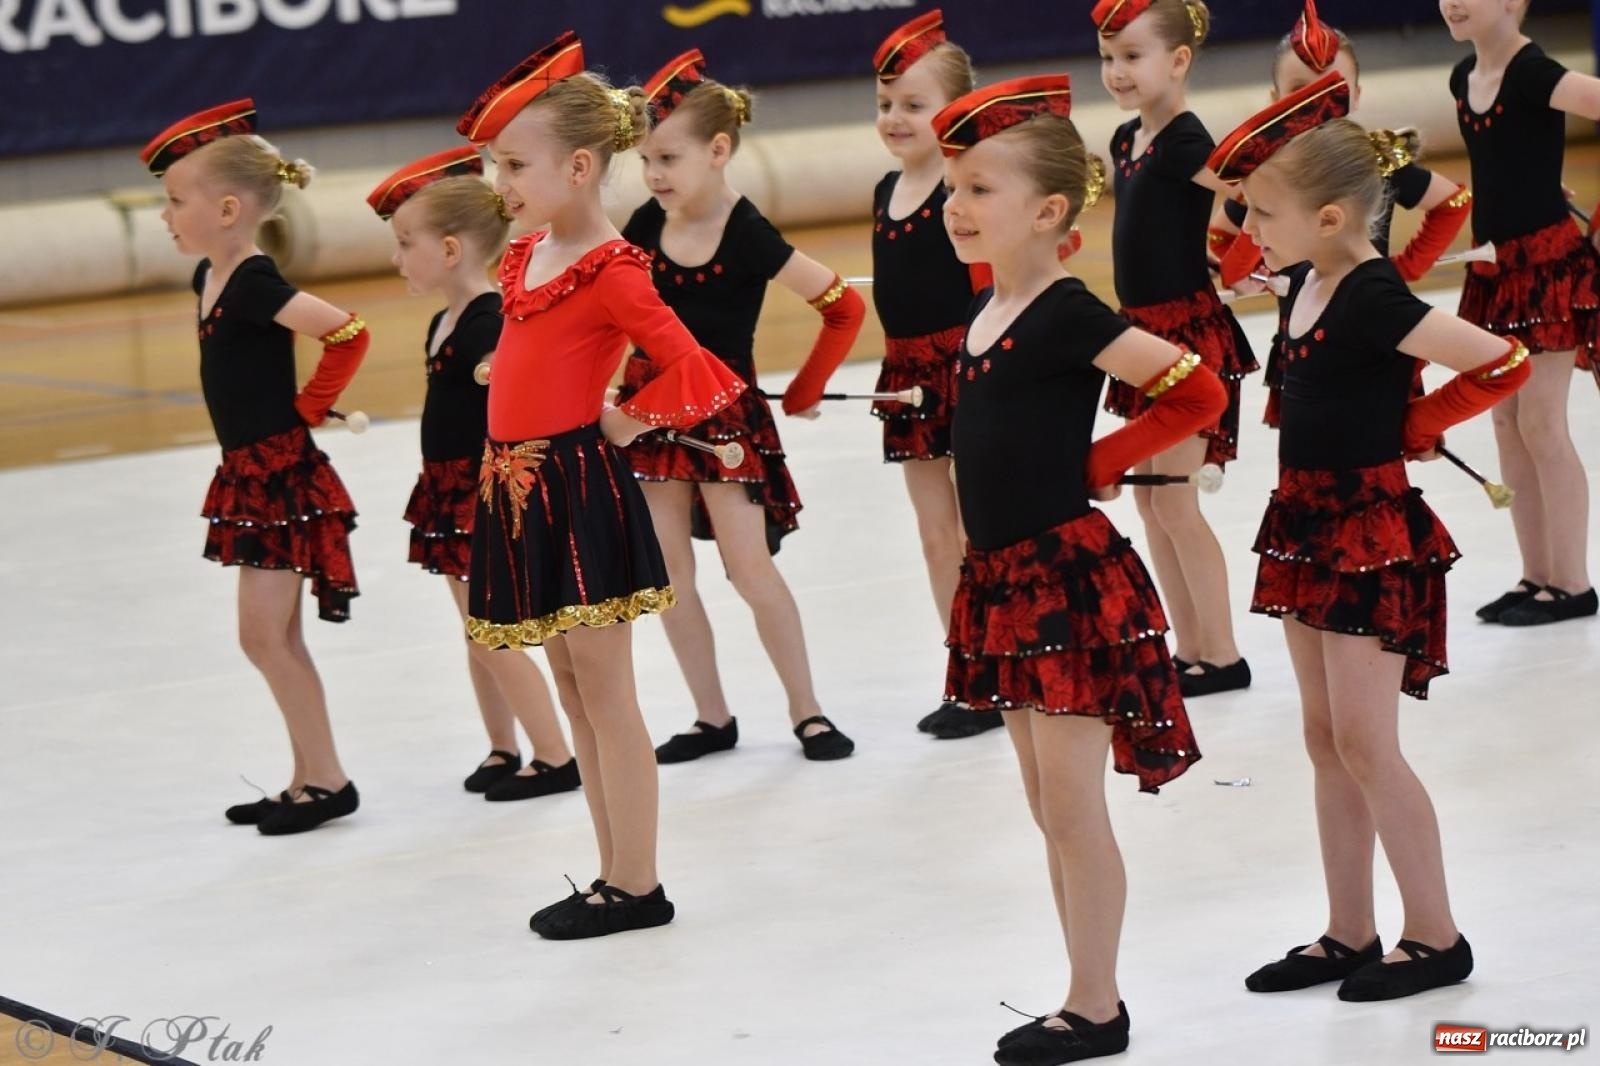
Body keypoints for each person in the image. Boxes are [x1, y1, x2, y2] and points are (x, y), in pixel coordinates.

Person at [1209, 72, 1529, 1000]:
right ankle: (1348, 930)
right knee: (1323, 738)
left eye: (1266, 211)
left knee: (1366, 741)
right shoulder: (1307, 279)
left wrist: (1425, 425)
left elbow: (1501, 357)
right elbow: (1245, 285)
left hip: (1367, 529)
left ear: (1334, 216)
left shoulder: (1376, 296)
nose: (1251, 228)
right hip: (1306, 520)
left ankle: (1436, 934)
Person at [931, 73, 1226, 1064]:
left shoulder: (1063, 309)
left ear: (1048, 211)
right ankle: (1079, 988)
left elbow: (1195, 388)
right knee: (1042, 804)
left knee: (1069, 803)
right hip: (1001, 583)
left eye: (977, 189)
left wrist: (1102, 461)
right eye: (952, 189)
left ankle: (1095, 1004)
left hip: (1065, 582)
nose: (955, 207)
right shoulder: (986, 308)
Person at [458, 32, 745, 939]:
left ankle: (638, 883)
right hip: (513, 487)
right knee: (574, 687)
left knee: (607, 689)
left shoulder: (615, 267)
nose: (498, 182)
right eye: (494, 164)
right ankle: (611, 874)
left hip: (576, 487)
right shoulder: (525, 255)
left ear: (578, 167)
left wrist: (622, 420)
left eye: (513, 164)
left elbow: (695, 368)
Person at [617, 49, 861, 765]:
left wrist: (810, 384)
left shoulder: (747, 232)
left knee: (751, 571)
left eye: (668, 157)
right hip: (652, 414)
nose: (655, 175)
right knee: (668, 576)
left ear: (718, 151)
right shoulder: (642, 224)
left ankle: (807, 711)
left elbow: (841, 306)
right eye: (646, 161)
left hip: (724, 416)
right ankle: (710, 716)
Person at [143, 99, 367, 836]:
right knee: (274, 637)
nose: (165, 214)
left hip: (279, 477)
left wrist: (310, 406)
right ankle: (308, 776)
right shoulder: (211, 274)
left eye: (177, 201)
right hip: (251, 473)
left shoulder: (252, 283)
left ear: (230, 208)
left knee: (265, 637)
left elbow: (347, 331)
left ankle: (327, 778)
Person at [368, 147, 577, 802]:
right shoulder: (444, 319)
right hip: (446, 487)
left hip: (480, 490)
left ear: (452, 250)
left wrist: (497, 368)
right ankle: (502, 744)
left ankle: (554, 754)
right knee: (475, 631)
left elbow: (513, 367)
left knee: (492, 629)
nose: (397, 258)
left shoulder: (489, 317)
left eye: (407, 244)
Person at [1093, 0, 1255, 697]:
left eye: (1133, 56)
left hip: (1187, 339)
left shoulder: (1189, 142)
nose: (1117, 72)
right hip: (1142, 339)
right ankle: (1188, 647)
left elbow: (1255, 193)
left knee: (1177, 502)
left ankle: (1221, 654)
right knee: (1152, 501)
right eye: (1108, 58)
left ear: (1179, 61)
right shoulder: (1127, 141)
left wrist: (1244, 256)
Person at [870, 9, 1004, 738]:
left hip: (963, 365)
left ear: (952, 112)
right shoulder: (882, 195)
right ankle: (967, 675)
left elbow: (990, 285)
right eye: (886, 104)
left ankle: (999, 659)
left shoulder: (963, 193)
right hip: (906, 372)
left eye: (913, 105)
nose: (894, 118)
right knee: (933, 534)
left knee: (979, 529)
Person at [1442, 0, 1598, 626]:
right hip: (1496, 271)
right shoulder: (1462, 77)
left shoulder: (1534, 73)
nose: (1452, 2)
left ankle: (1574, 582)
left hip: (1549, 272)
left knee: (1541, 422)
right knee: (1505, 422)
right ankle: (1537, 575)